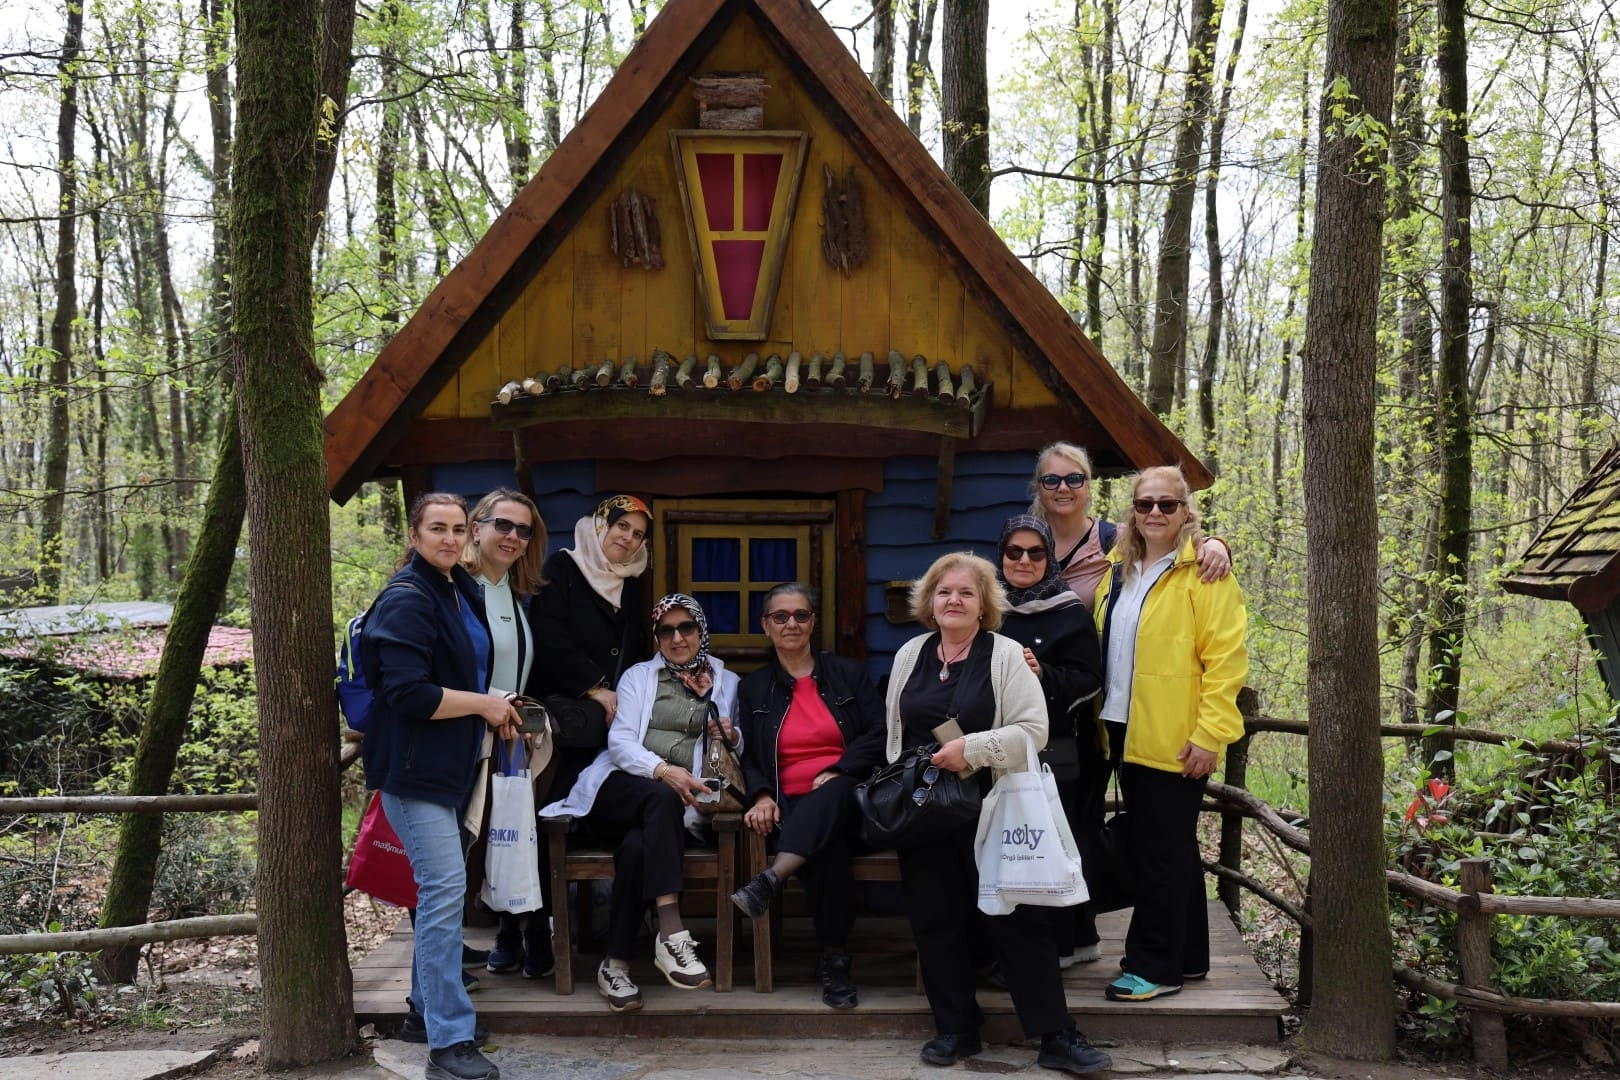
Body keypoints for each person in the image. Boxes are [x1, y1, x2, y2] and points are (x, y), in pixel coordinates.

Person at [885, 552, 1111, 1075]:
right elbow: (897, 735)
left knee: (1019, 919)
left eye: (966, 593)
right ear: (930, 601)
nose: (954, 601)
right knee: (936, 921)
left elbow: (1033, 731)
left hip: (994, 808)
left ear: (984, 605)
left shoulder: (1006, 655)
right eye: (944, 592)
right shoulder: (909, 655)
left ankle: (1056, 1034)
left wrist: (974, 749)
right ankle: (956, 1029)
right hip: (925, 814)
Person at [362, 492, 519, 1080]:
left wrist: (491, 700)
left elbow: (462, 672)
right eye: (437, 529)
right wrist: (483, 704)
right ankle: (448, 1047)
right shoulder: (408, 598)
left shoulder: (458, 588)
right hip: (412, 771)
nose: (449, 539)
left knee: (440, 896)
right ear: (414, 532)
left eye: (458, 529)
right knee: (445, 894)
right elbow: (406, 692)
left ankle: (424, 1013)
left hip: (449, 769)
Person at [540, 594, 741, 1012]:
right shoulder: (638, 677)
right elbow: (620, 742)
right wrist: (664, 771)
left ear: (701, 632)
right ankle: (671, 931)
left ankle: (614, 966)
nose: (676, 637)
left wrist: (733, 736)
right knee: (658, 796)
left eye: (686, 627)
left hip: (675, 809)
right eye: (666, 630)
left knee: (637, 848)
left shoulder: (726, 681)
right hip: (617, 790)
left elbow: (738, 746)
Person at [1094, 467, 1248, 1003]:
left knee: (1157, 851)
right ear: (1131, 511)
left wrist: (1211, 734)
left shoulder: (1205, 573)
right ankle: (1189, 954)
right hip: (1124, 726)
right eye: (1144, 504)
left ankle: (1154, 966)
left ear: (1187, 511)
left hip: (1176, 735)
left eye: (1167, 504)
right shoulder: (1120, 569)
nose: (1154, 513)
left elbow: (1225, 662)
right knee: (1172, 845)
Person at [729, 583, 886, 1009]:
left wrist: (838, 769)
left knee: (833, 798)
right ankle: (835, 962)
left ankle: (772, 879)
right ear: (766, 626)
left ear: (813, 622)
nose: (791, 624)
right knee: (825, 843)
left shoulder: (847, 674)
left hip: (853, 798)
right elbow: (750, 756)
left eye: (800, 615)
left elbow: (878, 735)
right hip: (789, 807)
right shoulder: (755, 687)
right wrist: (761, 795)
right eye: (780, 617)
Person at [515, 495, 652, 977]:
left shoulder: (633, 583)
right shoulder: (563, 568)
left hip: (609, 727)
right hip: (561, 730)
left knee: (595, 821)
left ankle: (600, 924)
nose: (627, 539)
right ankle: (527, 934)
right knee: (539, 821)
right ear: (599, 524)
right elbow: (547, 637)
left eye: (637, 534)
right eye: (621, 527)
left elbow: (634, 649)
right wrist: (592, 687)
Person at [993, 515, 1108, 970]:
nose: (1024, 560)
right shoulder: (988, 608)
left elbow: (1091, 680)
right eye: (1014, 552)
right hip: (997, 753)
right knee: (1010, 847)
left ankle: (1067, 945)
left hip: (1057, 752)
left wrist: (1043, 674)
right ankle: (1013, 948)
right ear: (1000, 556)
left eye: (1035, 552)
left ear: (1049, 558)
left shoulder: (1068, 612)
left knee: (1056, 845)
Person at [459, 488, 552, 981]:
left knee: (513, 838)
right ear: (477, 526)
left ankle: (522, 934)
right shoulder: (461, 587)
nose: (513, 537)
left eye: (524, 530)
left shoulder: (514, 593)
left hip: (509, 739)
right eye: (504, 525)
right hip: (465, 741)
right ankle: (445, 961)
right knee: (462, 847)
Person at [1028, 441, 1229, 608]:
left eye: (1074, 479)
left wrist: (1214, 544)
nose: (1063, 488)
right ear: (1039, 487)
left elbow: (1168, 539)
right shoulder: (1022, 543)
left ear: (1088, 486)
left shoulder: (1115, 540)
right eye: (1051, 480)